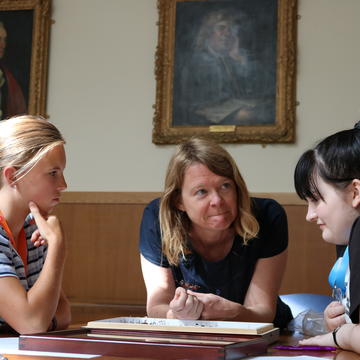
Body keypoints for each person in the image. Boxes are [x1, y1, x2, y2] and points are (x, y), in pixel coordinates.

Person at [139, 137, 292, 328]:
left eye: (225, 186)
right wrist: (178, 314)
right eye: (201, 191)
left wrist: (232, 312)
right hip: (189, 335)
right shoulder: (157, 218)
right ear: (179, 201)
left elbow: (262, 312)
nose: (217, 201)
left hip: (263, 335)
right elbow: (157, 306)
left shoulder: (268, 216)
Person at [0, 115, 70, 334]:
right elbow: (32, 323)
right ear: (13, 176)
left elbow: (63, 312)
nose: (64, 185)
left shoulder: (32, 227)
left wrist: (38, 318)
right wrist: (57, 247)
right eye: (53, 173)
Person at [293, 123, 360, 352]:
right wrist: (340, 323)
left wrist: (344, 334)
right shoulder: (348, 240)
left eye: (316, 200)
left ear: (355, 193)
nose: (310, 215)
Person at [173, 9, 275, 126]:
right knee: (254, 115)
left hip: (226, 110)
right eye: (221, 28)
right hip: (202, 117)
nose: (227, 34)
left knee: (267, 109)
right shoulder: (198, 60)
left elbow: (254, 90)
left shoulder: (229, 58)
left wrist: (239, 60)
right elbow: (205, 101)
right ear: (208, 32)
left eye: (231, 30)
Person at [0, 21, 27, 119]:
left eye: (4, 40)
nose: (3, 45)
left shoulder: (7, 76)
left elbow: (19, 113)